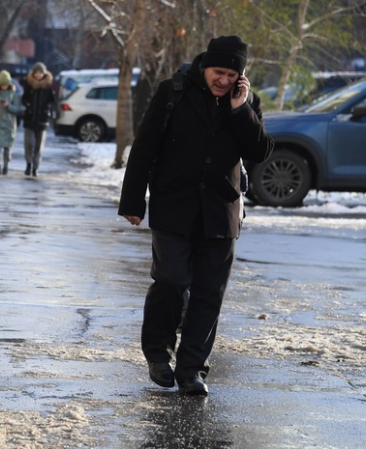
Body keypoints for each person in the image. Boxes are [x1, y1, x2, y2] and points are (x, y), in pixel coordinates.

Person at [118, 35, 274, 395]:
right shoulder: (172, 91)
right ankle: (158, 355)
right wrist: (132, 202)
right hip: (173, 206)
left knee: (208, 294)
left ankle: (191, 370)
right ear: (205, 67)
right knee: (171, 281)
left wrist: (240, 109)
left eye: (232, 75)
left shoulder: (246, 103)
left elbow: (261, 150)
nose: (224, 80)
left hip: (221, 213)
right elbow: (144, 147)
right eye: (219, 72)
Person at [21, 62, 56, 177]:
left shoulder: (48, 86)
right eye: (36, 72)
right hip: (29, 118)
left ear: (44, 74)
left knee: (39, 145)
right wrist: (28, 105)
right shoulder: (29, 84)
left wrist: (48, 111)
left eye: (40, 73)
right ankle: (28, 164)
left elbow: (52, 101)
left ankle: (36, 167)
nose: (38, 75)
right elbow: (23, 98)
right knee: (29, 144)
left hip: (42, 119)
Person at [0, 70, 24, 175]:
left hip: (9, 125)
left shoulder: (13, 94)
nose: (4, 86)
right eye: (2, 84)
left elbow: (18, 109)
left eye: (6, 84)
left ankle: (6, 166)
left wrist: (8, 106)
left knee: (8, 148)